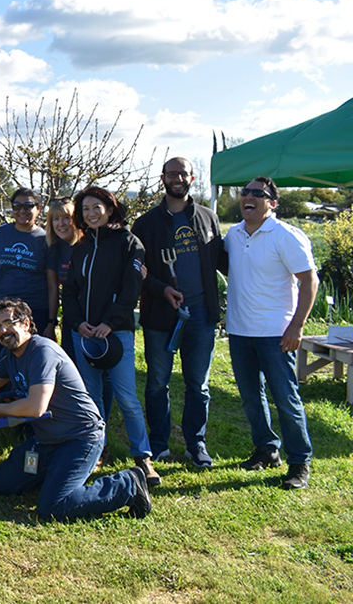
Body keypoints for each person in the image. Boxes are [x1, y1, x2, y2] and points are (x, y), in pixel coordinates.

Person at [0, 298, 152, 522]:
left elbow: (35, 407)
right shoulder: (9, 355)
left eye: (8, 322)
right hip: (47, 440)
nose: (3, 330)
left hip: (80, 438)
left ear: (25, 323)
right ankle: (55, 474)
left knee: (53, 507)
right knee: (1, 484)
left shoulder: (42, 351)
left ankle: (127, 484)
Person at [224, 176, 317, 490]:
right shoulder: (233, 235)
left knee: (285, 399)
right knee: (251, 398)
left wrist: (297, 326)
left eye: (257, 194)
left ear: (272, 203)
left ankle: (299, 462)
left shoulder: (285, 236)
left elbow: (309, 281)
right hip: (239, 332)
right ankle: (266, 449)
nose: (248, 197)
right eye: (244, 192)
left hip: (276, 334)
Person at [133, 157, 227, 467]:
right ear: (163, 178)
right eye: (171, 173)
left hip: (200, 312)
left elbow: (223, 262)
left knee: (198, 383)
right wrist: (163, 290)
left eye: (182, 173)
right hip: (161, 314)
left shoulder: (208, 218)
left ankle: (196, 444)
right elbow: (139, 272)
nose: (177, 178)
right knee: (158, 381)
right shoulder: (145, 224)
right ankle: (159, 443)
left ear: (192, 177)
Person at [63, 186, 160, 486]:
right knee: (91, 398)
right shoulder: (79, 247)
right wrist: (78, 323)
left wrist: (109, 322)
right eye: (85, 210)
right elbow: (72, 292)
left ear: (110, 208)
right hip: (84, 334)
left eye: (96, 208)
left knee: (127, 396)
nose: (91, 214)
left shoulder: (130, 243)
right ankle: (97, 449)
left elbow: (131, 289)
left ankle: (143, 457)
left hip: (115, 333)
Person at [0, 188, 57, 337]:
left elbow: (53, 285)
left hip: (35, 313)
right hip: (0, 312)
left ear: (38, 209)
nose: (22, 211)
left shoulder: (46, 240)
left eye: (28, 206)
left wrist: (51, 323)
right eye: (17, 206)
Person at [45, 196, 83, 363]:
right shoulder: (55, 248)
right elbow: (53, 287)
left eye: (66, 218)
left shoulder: (87, 244)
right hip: (70, 316)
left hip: (93, 315)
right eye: (56, 219)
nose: (61, 224)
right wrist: (51, 322)